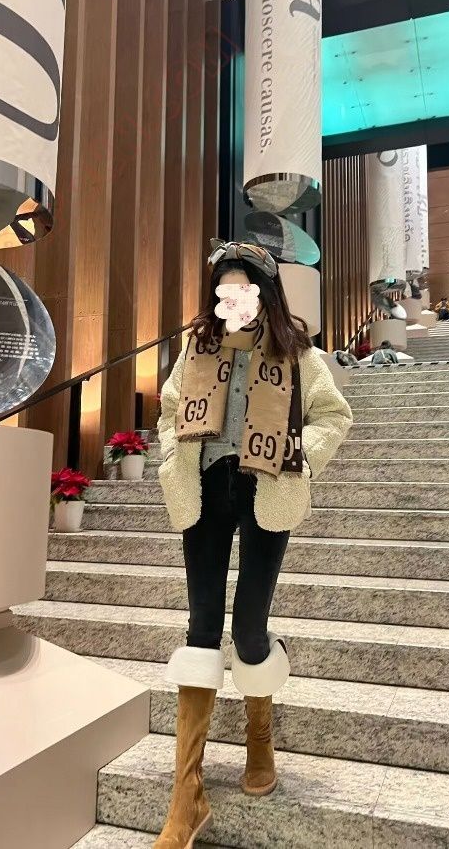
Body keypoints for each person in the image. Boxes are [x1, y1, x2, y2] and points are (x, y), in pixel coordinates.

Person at [154, 241, 352, 848]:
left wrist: (301, 456)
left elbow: (332, 414)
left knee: (247, 627)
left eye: (244, 287)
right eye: (225, 287)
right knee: (201, 626)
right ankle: (186, 794)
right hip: (206, 487)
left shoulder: (296, 351)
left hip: (268, 487)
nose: (233, 297)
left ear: (265, 293)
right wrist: (172, 455)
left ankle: (259, 735)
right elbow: (169, 408)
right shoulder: (197, 345)